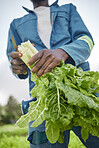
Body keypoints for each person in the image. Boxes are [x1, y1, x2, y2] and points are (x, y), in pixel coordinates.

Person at [6, 0, 99, 147]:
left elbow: (86, 40)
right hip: (44, 100)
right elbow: (13, 59)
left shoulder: (68, 10)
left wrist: (64, 52)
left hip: (81, 91)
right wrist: (17, 68)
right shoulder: (16, 24)